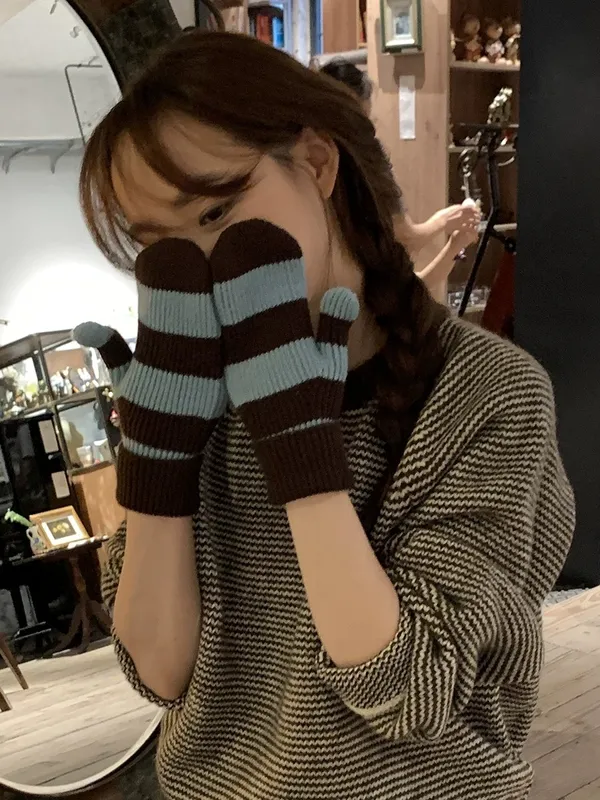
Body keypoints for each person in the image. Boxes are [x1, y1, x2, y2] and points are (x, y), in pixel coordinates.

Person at [75, 30, 574, 800]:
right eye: (157, 247)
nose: (195, 268)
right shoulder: (197, 389)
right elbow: (161, 672)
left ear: (315, 163)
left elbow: (410, 695)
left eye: (215, 211)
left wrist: (299, 446)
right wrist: (160, 458)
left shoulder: (488, 391)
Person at [319, 58, 481, 296]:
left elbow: (408, 289)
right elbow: (405, 240)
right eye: (365, 120)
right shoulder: (365, 156)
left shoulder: (301, 157)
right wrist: (444, 222)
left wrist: (455, 245)